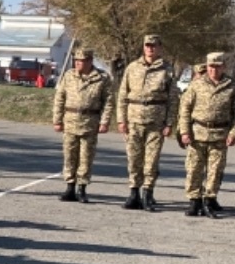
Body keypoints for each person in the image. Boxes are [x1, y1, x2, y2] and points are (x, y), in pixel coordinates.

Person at [115, 33, 177, 210]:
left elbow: (173, 100)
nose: (150, 49)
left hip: (156, 122)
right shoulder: (132, 67)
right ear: (143, 47)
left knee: (151, 161)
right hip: (133, 120)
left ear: (159, 47)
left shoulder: (167, 69)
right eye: (147, 46)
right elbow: (122, 96)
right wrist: (121, 120)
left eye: (154, 46)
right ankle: (133, 193)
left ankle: (148, 194)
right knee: (134, 159)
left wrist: (169, 123)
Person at [176, 52, 235, 218]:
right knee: (194, 169)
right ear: (207, 66)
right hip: (197, 133)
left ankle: (208, 201)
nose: (214, 69)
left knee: (215, 171)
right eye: (211, 66)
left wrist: (234, 132)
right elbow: (185, 109)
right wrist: (184, 131)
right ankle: (194, 201)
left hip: (220, 134)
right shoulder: (196, 84)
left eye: (218, 66)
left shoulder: (232, 86)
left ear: (223, 67)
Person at [52, 47, 111, 202]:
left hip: (90, 121)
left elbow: (108, 102)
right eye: (76, 60)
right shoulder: (69, 75)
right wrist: (57, 120)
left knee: (86, 157)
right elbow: (60, 98)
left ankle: (82, 188)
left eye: (82, 61)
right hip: (70, 120)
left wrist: (104, 122)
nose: (78, 63)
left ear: (90, 61)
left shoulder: (102, 78)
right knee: (69, 155)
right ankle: (69, 187)